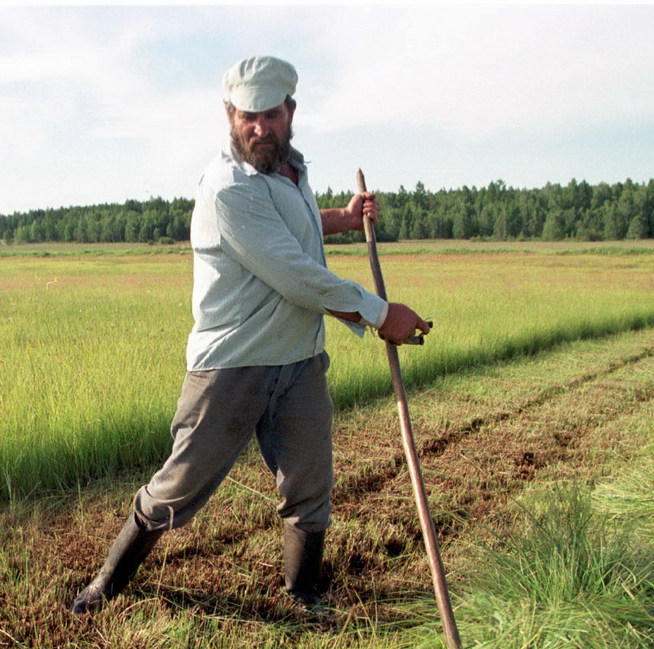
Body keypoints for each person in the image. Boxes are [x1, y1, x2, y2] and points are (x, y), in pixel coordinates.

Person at [71, 54, 431, 616]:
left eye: (270, 115)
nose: (259, 127)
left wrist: (340, 214)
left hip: (300, 360)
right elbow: (294, 274)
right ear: (229, 115)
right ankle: (108, 582)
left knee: (311, 482)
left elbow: (296, 227)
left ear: (290, 112)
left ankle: (304, 592)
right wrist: (379, 313)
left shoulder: (292, 171)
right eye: (247, 117)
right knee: (180, 485)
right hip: (233, 365)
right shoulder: (226, 187)